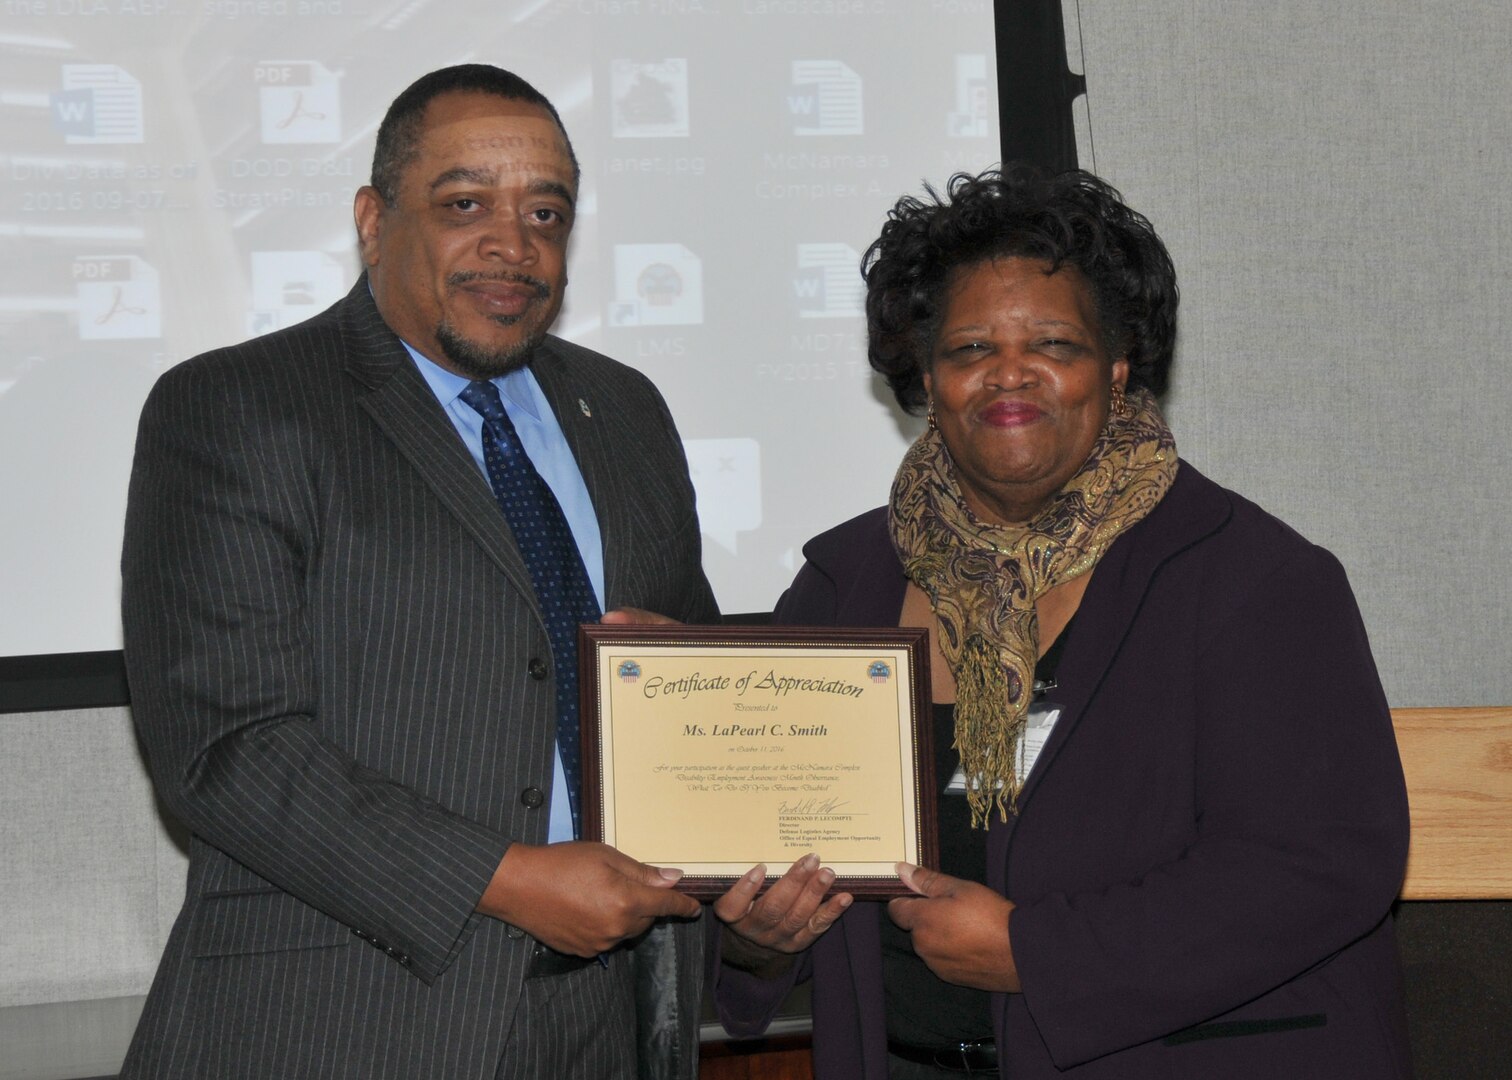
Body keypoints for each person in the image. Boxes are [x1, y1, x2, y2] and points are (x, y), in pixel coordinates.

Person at [709, 167, 1412, 1078]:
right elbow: (769, 850)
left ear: (1117, 367)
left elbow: (1319, 867)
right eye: (968, 348)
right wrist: (762, 936)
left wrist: (1038, 953)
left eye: (1053, 342)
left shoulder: (1256, 580)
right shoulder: (845, 585)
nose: (1009, 374)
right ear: (927, 377)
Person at [120, 65, 715, 1080]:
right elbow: (229, 750)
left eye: (546, 211)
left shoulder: (625, 412)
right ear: (372, 217)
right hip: (343, 1021)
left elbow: (700, 685)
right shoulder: (235, 407)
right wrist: (508, 879)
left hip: (609, 1024)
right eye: (464, 204)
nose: (513, 244)